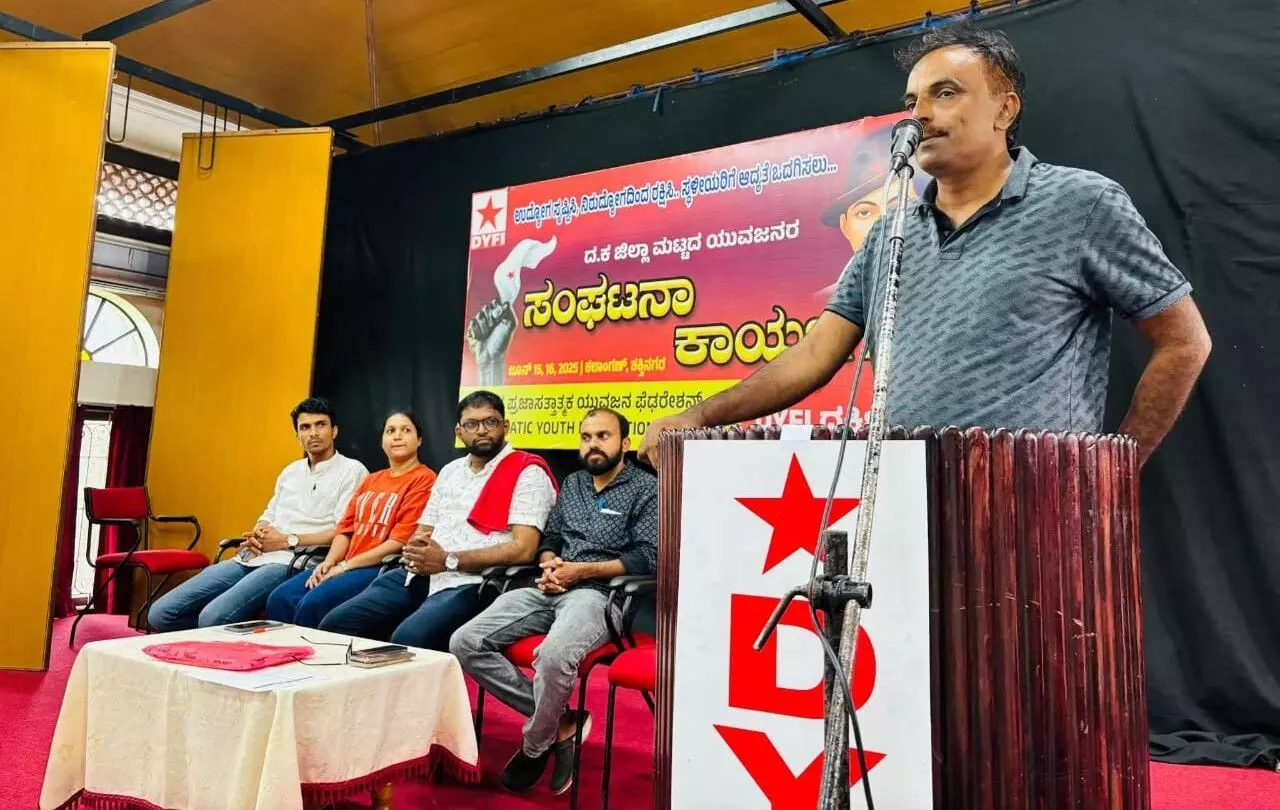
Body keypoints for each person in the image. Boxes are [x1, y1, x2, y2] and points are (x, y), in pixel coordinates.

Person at [639, 23, 1211, 469]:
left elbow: (1184, 342)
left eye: (946, 93)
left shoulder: (1080, 202)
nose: (920, 116)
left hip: (1033, 512)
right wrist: (700, 417)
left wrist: (1115, 468)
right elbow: (814, 355)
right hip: (901, 504)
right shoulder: (890, 231)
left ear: (1005, 109)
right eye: (912, 102)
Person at [450, 408, 658, 796]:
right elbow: (552, 540)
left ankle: (535, 746)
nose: (593, 445)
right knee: (464, 642)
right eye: (586, 437)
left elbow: (648, 558)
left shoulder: (646, 488)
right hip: (550, 585)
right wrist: (548, 565)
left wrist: (580, 572)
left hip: (601, 594)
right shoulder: (574, 483)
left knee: (553, 656)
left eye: (603, 436)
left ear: (625, 443)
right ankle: (561, 721)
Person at [318, 391, 557, 651]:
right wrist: (416, 551)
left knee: (409, 638)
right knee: (336, 623)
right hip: (420, 575)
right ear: (459, 431)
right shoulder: (450, 471)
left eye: (490, 422)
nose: (482, 430)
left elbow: (524, 549)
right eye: (472, 424)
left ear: (505, 426)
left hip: (475, 583)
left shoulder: (527, 472)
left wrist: (447, 560)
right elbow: (424, 530)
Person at [147, 398, 367, 631]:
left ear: (334, 431)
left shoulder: (352, 471)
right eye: (305, 427)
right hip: (256, 554)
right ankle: (214, 645)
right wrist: (259, 531)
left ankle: (226, 645)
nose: (313, 433)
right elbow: (269, 513)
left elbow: (344, 530)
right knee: (161, 613)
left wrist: (287, 540)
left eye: (320, 425)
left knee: (212, 618)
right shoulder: (291, 471)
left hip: (293, 561)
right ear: (297, 436)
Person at [265, 410, 436, 628]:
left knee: (313, 604)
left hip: (378, 567)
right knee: (280, 598)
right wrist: (329, 562)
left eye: (406, 430)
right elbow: (345, 529)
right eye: (390, 431)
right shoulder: (372, 479)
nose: (398, 436)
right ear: (382, 441)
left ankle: (305, 651)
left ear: (419, 440)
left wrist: (345, 566)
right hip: (345, 563)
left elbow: (398, 542)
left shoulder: (425, 479)